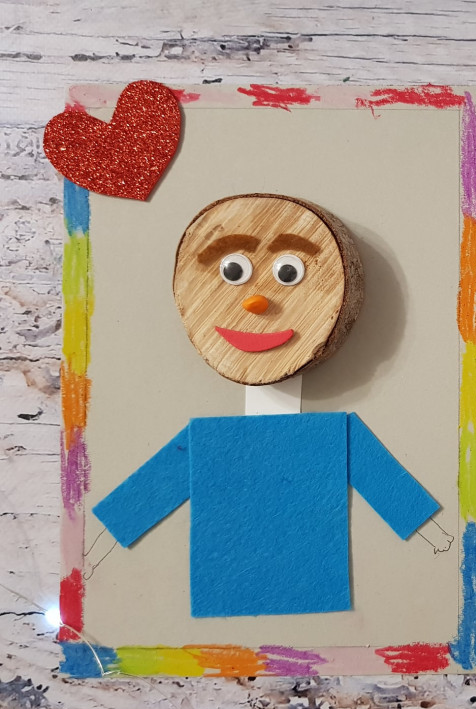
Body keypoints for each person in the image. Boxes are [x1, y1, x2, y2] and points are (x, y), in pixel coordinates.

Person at [92, 194, 449, 618]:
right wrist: (442, 543)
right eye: (234, 272)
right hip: (236, 587)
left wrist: (442, 544)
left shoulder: (325, 437)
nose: (256, 302)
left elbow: (389, 489)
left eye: (287, 272)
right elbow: (143, 498)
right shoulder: (212, 442)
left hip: (303, 586)